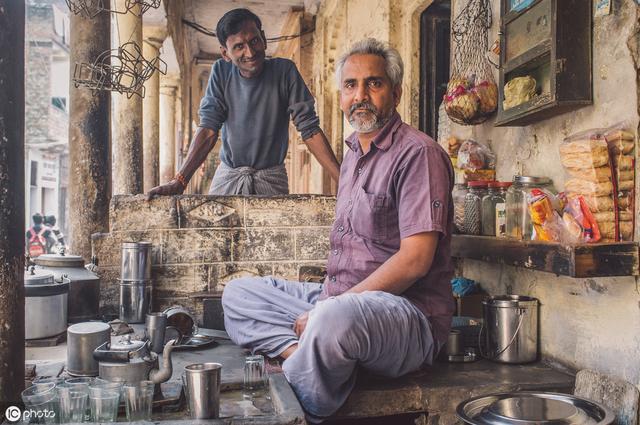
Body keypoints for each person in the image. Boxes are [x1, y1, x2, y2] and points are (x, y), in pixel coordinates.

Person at [221, 38, 455, 422]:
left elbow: (415, 261)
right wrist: (328, 304)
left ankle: (300, 402)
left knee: (334, 320)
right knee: (238, 294)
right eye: (351, 85)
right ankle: (305, 354)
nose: (360, 95)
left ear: (395, 93)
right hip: (335, 300)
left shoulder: (418, 154)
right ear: (341, 96)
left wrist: (329, 309)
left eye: (373, 84)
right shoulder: (352, 157)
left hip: (406, 316)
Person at [148, 8, 340, 197]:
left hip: (271, 178)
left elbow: (310, 129)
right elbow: (208, 129)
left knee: (273, 229)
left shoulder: (285, 71)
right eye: (239, 46)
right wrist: (179, 181)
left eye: (254, 41)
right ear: (225, 53)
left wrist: (343, 182)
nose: (249, 52)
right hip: (229, 175)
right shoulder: (221, 72)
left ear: (263, 39)